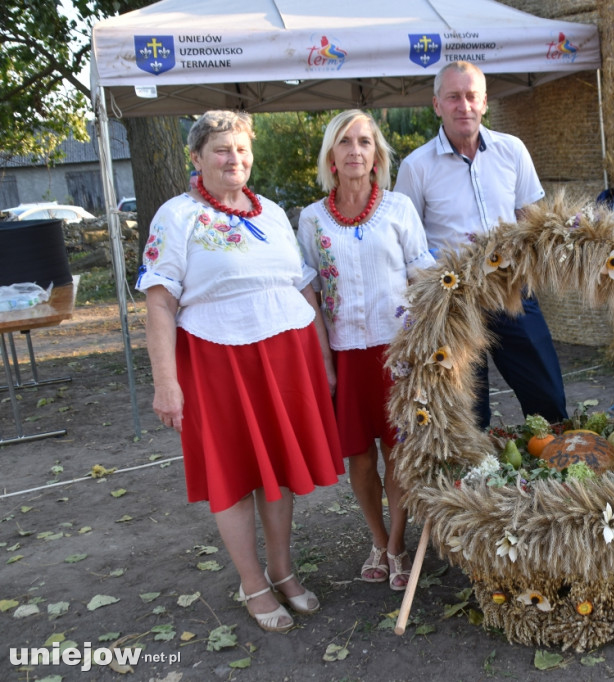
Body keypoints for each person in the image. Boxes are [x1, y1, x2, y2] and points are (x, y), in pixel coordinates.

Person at [138, 110, 343, 632]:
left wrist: (321, 359)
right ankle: (253, 583)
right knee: (233, 472)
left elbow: (302, 286)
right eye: (222, 150)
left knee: (276, 470)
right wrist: (166, 383)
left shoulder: (270, 211)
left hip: (285, 357)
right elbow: (159, 303)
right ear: (197, 157)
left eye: (243, 149)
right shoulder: (176, 216)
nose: (236, 159)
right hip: (216, 362)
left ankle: (282, 568)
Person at [297, 110, 435, 591]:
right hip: (346, 356)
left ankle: (396, 545)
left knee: (397, 453)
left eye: (364, 142)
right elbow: (309, 295)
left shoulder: (398, 209)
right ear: (331, 157)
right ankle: (376, 539)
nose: (355, 150)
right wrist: (325, 362)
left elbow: (423, 276)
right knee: (358, 457)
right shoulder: (312, 220)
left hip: (396, 353)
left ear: (376, 155)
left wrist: (438, 337)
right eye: (345, 142)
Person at [394, 60, 568, 430]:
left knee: (549, 399)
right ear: (436, 104)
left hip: (513, 293)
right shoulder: (416, 167)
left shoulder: (512, 151)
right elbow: (407, 241)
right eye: (453, 97)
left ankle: (561, 478)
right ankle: (478, 484)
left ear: (485, 102)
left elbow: (531, 222)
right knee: (471, 415)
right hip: (455, 306)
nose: (464, 106)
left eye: (471, 96)